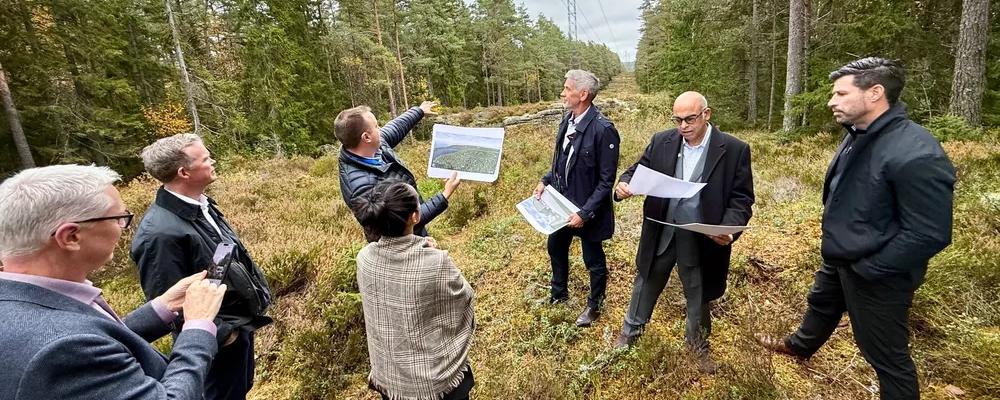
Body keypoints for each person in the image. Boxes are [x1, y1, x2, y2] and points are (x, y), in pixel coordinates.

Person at [757, 57, 955, 399]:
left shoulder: (915, 152)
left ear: (875, 93)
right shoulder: (859, 134)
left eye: (841, 93)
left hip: (879, 274)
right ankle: (800, 346)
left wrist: (870, 268)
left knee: (887, 356)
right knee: (822, 302)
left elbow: (929, 233)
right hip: (843, 255)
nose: (831, 102)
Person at [0, 164, 227, 399]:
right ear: (71, 236)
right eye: (119, 218)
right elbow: (78, 344)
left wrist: (161, 308)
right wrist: (197, 327)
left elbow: (94, 339)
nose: (123, 228)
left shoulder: (21, 304)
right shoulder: (64, 348)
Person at [612, 92, 754, 373]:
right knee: (646, 279)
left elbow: (742, 199)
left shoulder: (734, 149)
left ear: (706, 114)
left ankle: (697, 346)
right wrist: (624, 184)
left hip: (702, 237)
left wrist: (728, 231)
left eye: (689, 119)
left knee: (698, 290)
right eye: (677, 120)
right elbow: (637, 170)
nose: (683, 126)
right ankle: (630, 333)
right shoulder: (662, 141)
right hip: (662, 229)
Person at [131, 133, 273, 400]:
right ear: (184, 172)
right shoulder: (159, 235)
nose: (213, 161)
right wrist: (225, 334)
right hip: (212, 344)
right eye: (206, 159)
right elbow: (170, 303)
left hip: (235, 328)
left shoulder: (201, 206)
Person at [352, 180, 476, 400]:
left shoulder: (364, 258)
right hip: (435, 384)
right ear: (415, 217)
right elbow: (464, 298)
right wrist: (432, 254)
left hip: (389, 379)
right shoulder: (435, 262)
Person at [533, 69, 620, 327]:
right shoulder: (567, 120)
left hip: (588, 210)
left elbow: (606, 181)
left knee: (593, 258)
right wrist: (545, 180)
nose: (562, 93)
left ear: (583, 94)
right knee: (555, 246)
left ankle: (595, 305)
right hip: (562, 204)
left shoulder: (604, 130)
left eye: (567, 88)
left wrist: (585, 213)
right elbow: (561, 162)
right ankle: (558, 294)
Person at [336, 101, 461, 242]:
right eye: (376, 126)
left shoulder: (371, 146)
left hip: (413, 232)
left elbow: (395, 127)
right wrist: (444, 195)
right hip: (398, 246)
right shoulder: (362, 187)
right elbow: (405, 221)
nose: (380, 129)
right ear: (366, 137)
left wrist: (419, 111)